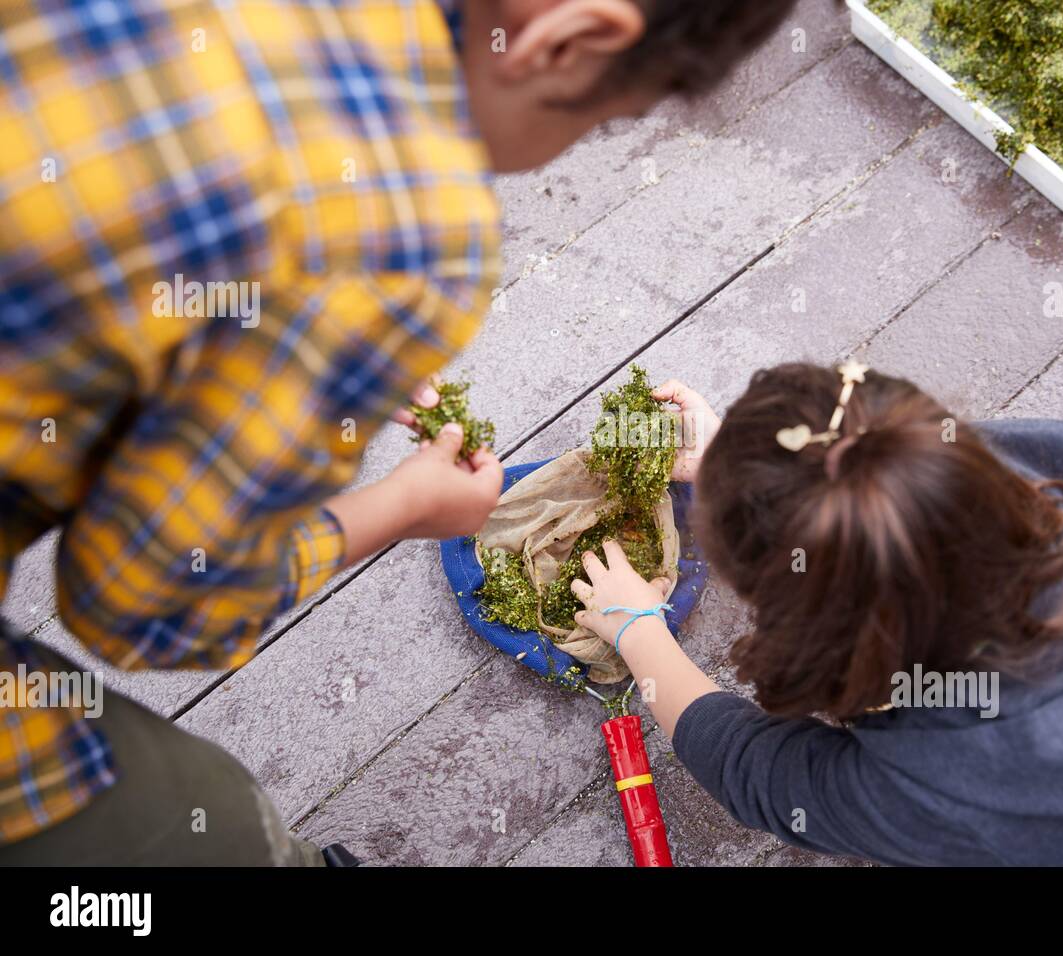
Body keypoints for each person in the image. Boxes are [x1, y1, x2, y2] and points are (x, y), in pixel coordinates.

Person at [0, 0, 797, 864]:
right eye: (614, 117)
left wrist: (283, 353)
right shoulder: (404, 232)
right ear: (570, 42)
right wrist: (401, 507)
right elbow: (140, 605)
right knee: (214, 827)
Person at [571, 364, 1063, 865]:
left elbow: (765, 776)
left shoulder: (947, 785)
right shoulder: (1062, 463)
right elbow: (883, 485)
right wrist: (742, 467)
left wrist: (640, 633)